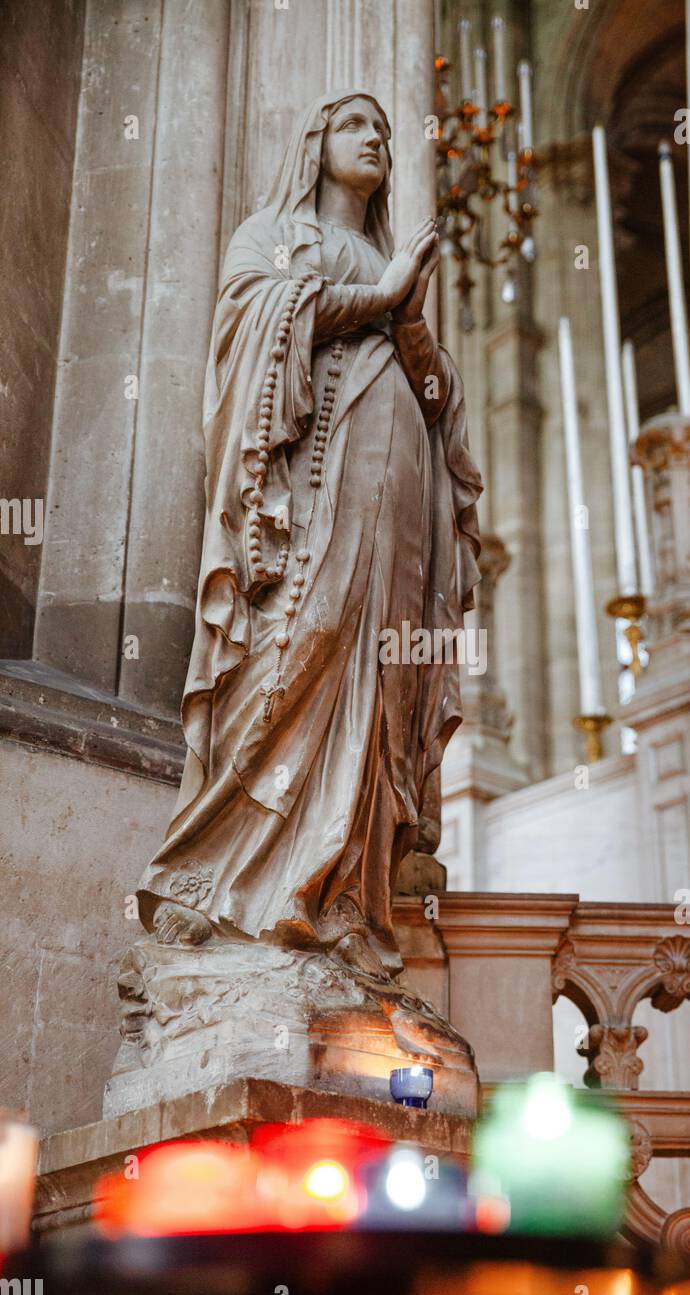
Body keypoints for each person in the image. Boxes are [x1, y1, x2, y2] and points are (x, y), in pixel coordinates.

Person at [135, 90, 481, 981]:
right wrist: (379, 295)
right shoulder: (271, 234)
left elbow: (438, 399)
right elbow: (247, 321)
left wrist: (407, 318)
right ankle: (226, 878)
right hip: (319, 487)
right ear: (318, 142)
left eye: (386, 133)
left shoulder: (391, 256)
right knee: (306, 640)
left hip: (402, 497)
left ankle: (342, 901)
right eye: (357, 125)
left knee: (380, 683)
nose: (376, 140)